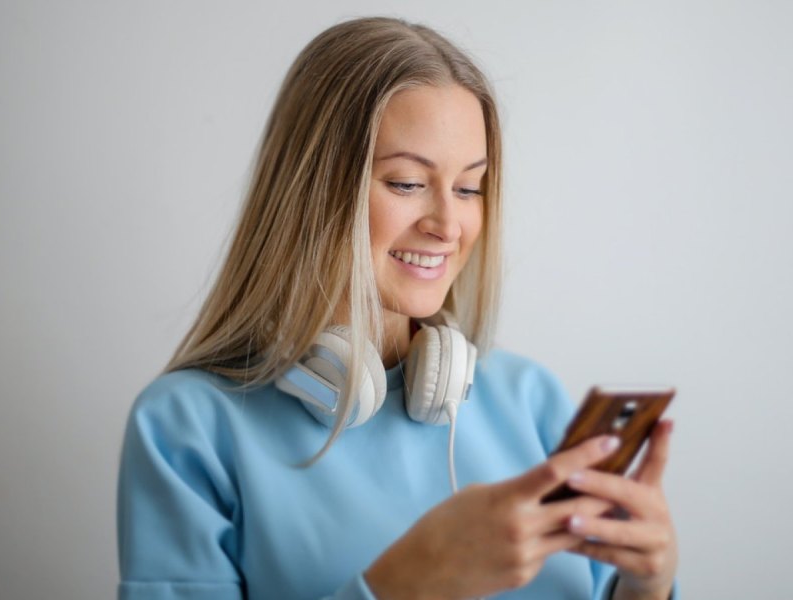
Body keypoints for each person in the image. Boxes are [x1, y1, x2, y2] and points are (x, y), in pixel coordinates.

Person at [117, 16, 678, 600]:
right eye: (408, 183)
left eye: (468, 189)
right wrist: (405, 584)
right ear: (313, 191)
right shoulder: (187, 427)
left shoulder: (530, 399)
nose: (446, 225)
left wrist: (647, 585)